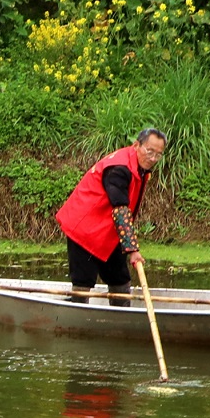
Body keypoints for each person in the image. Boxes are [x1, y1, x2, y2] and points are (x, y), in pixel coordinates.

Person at [55, 127, 167, 305]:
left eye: (158, 155)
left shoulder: (139, 167)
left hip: (108, 229)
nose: (152, 158)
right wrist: (133, 250)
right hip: (84, 227)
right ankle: (77, 315)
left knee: (119, 277)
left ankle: (121, 315)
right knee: (83, 279)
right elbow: (120, 209)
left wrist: (129, 247)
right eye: (149, 151)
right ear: (136, 145)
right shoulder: (119, 168)